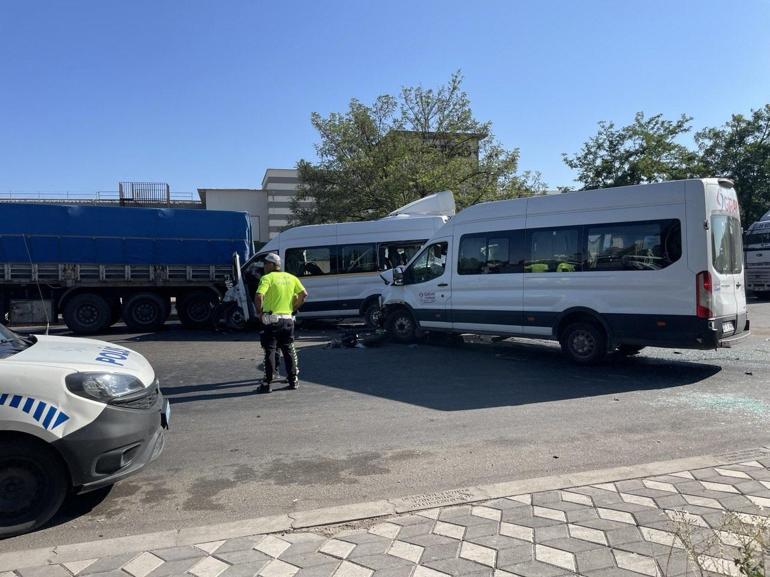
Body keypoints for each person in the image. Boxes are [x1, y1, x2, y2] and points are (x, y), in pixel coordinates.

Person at [254, 253, 307, 393]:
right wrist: (294, 308)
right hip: (288, 319)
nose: (264, 266)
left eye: (266, 263)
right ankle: (293, 380)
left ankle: (267, 383)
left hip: (271, 320)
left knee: (270, 350)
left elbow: (259, 296)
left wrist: (259, 313)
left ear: (272, 265)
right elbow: (304, 294)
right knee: (288, 349)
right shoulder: (291, 278)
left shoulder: (267, 278)